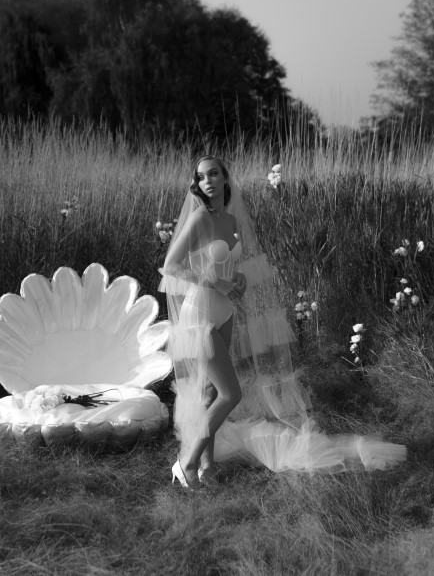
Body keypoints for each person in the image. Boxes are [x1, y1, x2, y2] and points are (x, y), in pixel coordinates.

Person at [159, 155, 406, 489]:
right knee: (229, 394)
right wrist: (216, 283)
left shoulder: (230, 222)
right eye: (202, 177)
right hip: (199, 314)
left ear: (225, 178)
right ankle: (186, 464)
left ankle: (207, 467)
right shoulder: (199, 219)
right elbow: (172, 266)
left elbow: (230, 265)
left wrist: (240, 279)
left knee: (208, 393)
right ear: (198, 185)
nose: (208, 181)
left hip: (224, 313)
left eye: (214, 174)